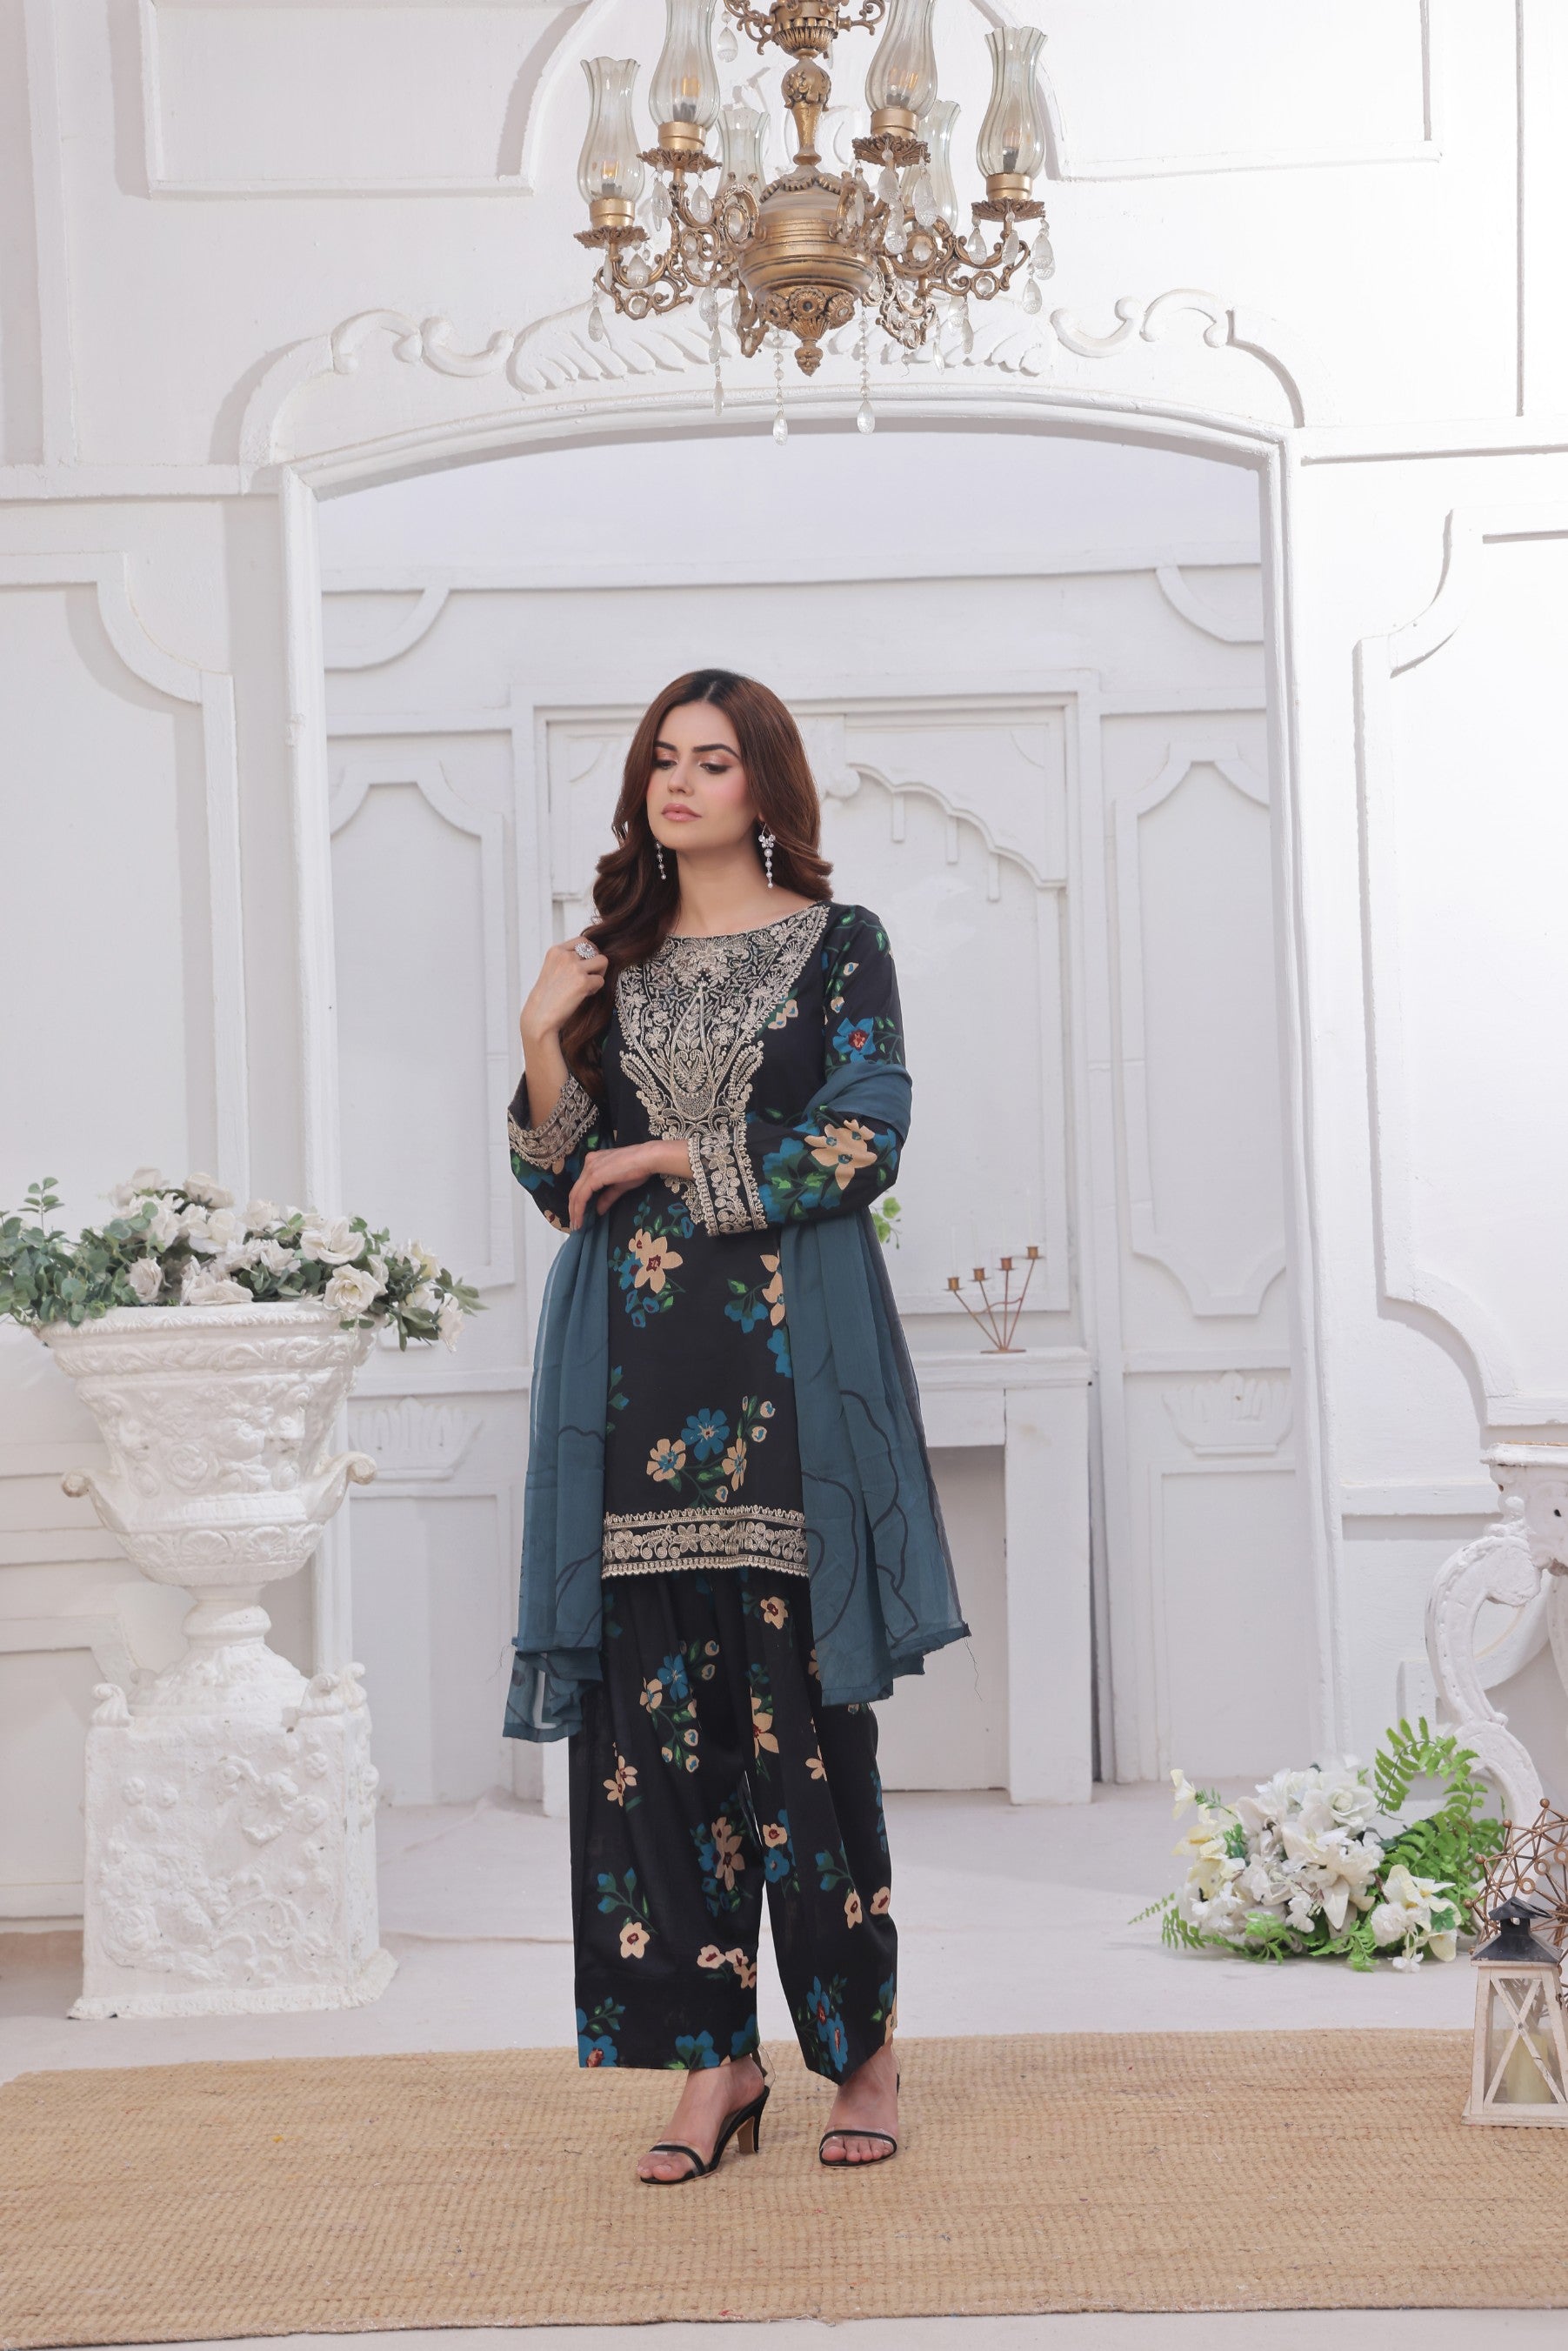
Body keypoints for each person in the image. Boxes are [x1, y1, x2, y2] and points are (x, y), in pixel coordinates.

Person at [502, 668, 966, 2183]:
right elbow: (557, 1182)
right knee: (652, 1745)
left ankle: (861, 2051)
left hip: (784, 1379)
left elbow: (862, 1138)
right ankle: (715, 2063)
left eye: (712, 760)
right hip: (632, 1378)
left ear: (765, 784)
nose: (678, 782)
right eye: (662, 758)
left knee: (804, 1736)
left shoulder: (841, 944)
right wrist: (543, 1036)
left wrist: (664, 1154)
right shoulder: (610, 964)